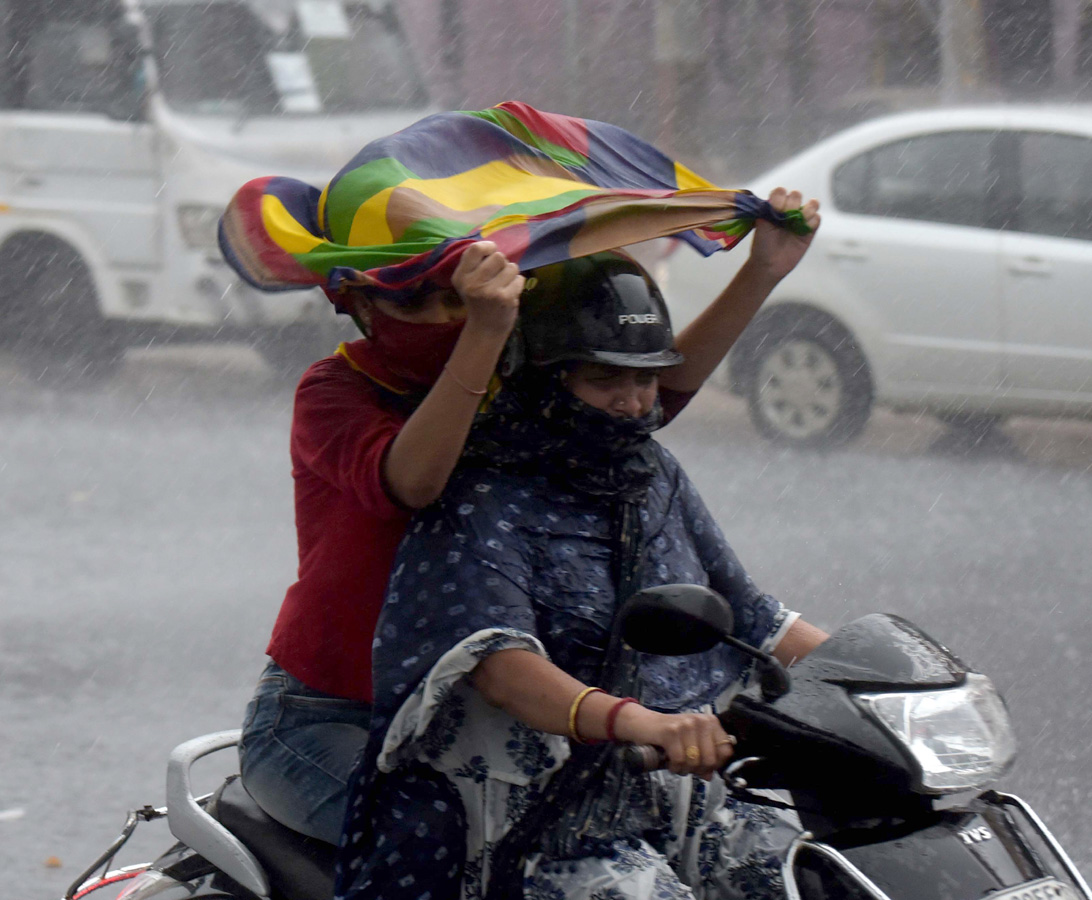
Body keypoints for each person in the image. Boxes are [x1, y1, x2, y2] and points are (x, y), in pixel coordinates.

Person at [237, 187, 821, 846]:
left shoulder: (512, 386)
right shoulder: (335, 391)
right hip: (335, 714)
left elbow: (633, 398)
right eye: (412, 299)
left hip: (473, 725)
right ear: (359, 304)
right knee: (444, 850)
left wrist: (762, 270)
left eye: (454, 293)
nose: (441, 315)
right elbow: (415, 481)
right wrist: (483, 332)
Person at [335, 252, 829, 900]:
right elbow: (501, 665)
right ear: (541, 377)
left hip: (670, 797)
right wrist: (644, 723)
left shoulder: (652, 473)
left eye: (647, 380)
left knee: (814, 875)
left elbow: (755, 618)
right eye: (604, 380)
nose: (630, 404)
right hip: (540, 829)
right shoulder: (481, 494)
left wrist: (892, 683)